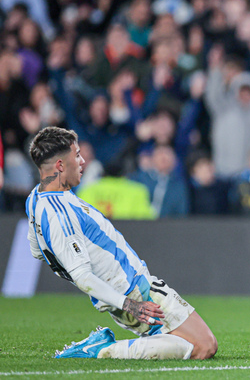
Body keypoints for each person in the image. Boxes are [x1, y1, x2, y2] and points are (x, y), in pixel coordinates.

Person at [25, 127, 217, 360]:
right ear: (60, 165)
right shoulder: (60, 212)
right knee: (204, 346)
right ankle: (100, 350)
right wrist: (130, 304)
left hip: (126, 292)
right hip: (135, 291)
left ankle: (105, 347)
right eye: (76, 155)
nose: (83, 160)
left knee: (186, 343)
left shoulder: (36, 197)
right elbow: (82, 276)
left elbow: (37, 250)